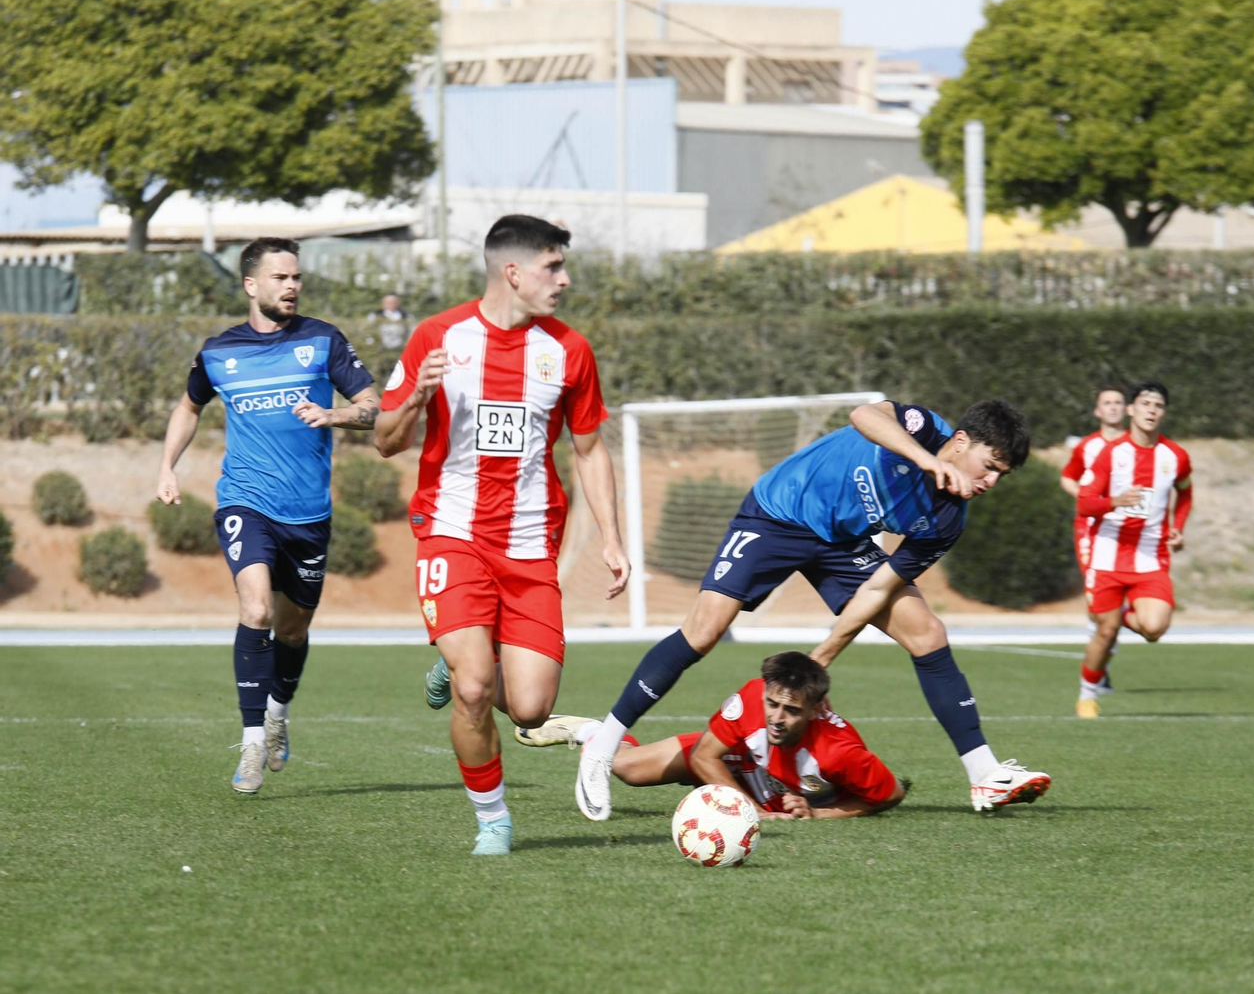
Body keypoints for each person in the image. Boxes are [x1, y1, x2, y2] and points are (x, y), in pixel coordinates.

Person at [575, 398, 1051, 822]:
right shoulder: (923, 427)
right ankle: (603, 745)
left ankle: (984, 772)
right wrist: (925, 460)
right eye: (989, 466)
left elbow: (876, 590)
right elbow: (864, 414)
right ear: (961, 441)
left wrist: (823, 654)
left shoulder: (948, 518)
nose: (990, 481)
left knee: (926, 632)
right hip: (778, 515)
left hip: (842, 544)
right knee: (703, 632)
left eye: (1000, 476)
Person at [374, 214, 629, 855]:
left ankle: (463, 653)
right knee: (474, 690)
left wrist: (612, 538)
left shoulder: (569, 350)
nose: (565, 280)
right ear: (513, 272)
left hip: (530, 547)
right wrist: (412, 399)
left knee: (533, 708)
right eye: (553, 267)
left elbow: (591, 450)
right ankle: (493, 818)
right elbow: (385, 440)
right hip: (451, 534)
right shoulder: (437, 337)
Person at [154, 237, 379, 795]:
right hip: (245, 500)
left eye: (296, 276)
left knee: (292, 628)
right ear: (251, 285)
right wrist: (166, 466)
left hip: (309, 513)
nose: (292, 286)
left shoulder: (323, 340)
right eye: (280, 277)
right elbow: (188, 407)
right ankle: (253, 741)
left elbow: (376, 409)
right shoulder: (217, 353)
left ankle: (278, 711)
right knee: (255, 608)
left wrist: (336, 414)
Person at [523, 652, 907, 820]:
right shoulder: (750, 699)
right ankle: (595, 731)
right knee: (626, 769)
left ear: (817, 708)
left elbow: (891, 794)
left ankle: (596, 733)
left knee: (631, 771)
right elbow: (706, 756)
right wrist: (750, 813)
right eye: (772, 703)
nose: (776, 718)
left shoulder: (839, 752)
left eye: (791, 711)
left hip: (768, 784)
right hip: (735, 760)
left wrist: (820, 813)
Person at [1073, 381, 1193, 719]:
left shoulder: (1176, 457)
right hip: (1108, 553)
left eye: (1158, 405)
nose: (1152, 410)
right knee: (1105, 631)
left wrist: (1178, 529)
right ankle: (1086, 695)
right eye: (1145, 403)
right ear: (1131, 410)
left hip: (1150, 557)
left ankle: (1118, 613)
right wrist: (1114, 501)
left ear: (1163, 413)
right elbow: (1085, 504)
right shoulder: (1111, 453)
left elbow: (1185, 494)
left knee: (1154, 628)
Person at [1060, 384, 1128, 690]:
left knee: (1121, 604)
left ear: (1127, 409)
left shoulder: (1137, 448)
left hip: (1128, 529)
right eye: (1107, 403)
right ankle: (1098, 670)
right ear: (1097, 411)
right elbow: (1067, 477)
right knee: (1098, 597)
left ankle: (1099, 663)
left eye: (1118, 402)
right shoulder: (1087, 446)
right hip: (1091, 528)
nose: (1113, 407)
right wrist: (1087, 498)